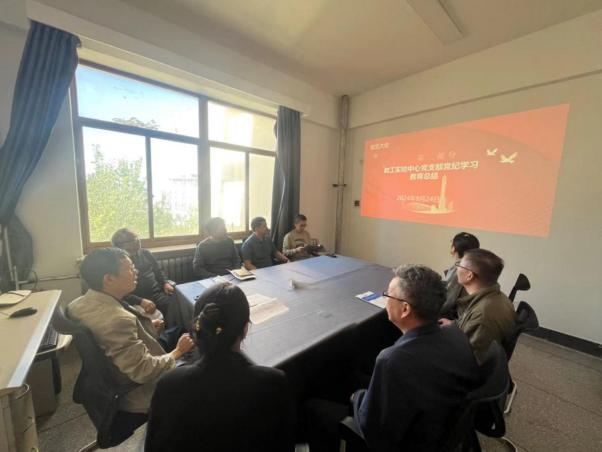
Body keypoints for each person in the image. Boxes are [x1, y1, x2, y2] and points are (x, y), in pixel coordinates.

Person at [307, 265, 479, 452]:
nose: (385, 299)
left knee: (315, 408)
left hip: (409, 441)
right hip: (437, 419)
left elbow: (374, 431)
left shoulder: (393, 360)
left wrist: (357, 397)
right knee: (349, 376)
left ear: (405, 309)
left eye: (388, 295)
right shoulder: (455, 333)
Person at [145, 283, 295, 452]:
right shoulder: (273, 383)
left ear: (198, 325)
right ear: (245, 329)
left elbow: (153, 446)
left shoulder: (168, 384)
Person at [68, 248, 195, 419]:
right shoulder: (118, 320)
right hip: (138, 393)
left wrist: (145, 327)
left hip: (110, 377)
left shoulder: (77, 304)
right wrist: (178, 351)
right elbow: (144, 371)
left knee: (177, 331)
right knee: (202, 369)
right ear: (109, 279)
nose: (136, 271)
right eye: (130, 268)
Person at [439, 248, 516, 365]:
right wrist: (454, 325)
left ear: (469, 275)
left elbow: (471, 361)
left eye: (459, 265)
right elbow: (470, 325)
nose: (457, 268)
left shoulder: (483, 315)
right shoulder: (494, 297)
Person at [111, 228, 174, 319]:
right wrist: (140, 301)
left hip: (157, 293)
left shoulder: (145, 253)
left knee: (178, 302)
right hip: (136, 300)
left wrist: (165, 283)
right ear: (120, 245)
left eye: (137, 238)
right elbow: (117, 291)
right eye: (132, 240)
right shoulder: (117, 262)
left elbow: (158, 271)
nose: (137, 241)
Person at [441, 232, 480, 319]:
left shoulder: (460, 270)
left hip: (459, 317)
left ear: (453, 249)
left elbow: (447, 302)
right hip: (471, 315)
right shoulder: (478, 266)